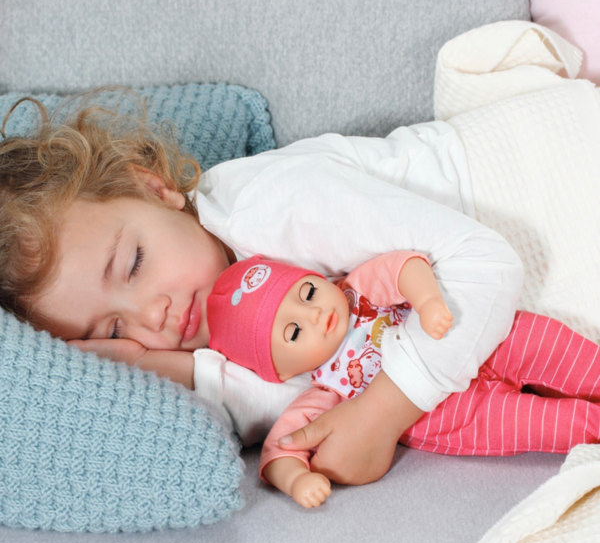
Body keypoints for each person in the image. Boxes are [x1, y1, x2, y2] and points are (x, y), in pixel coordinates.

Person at [0, 91, 523, 486]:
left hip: (517, 179)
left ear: (154, 189)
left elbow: (486, 264)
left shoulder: (269, 206)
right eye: (114, 328)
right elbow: (278, 395)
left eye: (134, 264)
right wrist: (139, 364)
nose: (151, 315)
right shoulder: (207, 332)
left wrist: (382, 413)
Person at [207, 255, 600, 508]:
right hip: (459, 418)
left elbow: (403, 267)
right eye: (293, 332)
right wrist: (296, 480)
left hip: (480, 343)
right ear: (282, 373)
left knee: (554, 347)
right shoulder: (327, 390)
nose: (312, 314)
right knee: (544, 425)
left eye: (307, 292)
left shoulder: (358, 291)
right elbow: (282, 447)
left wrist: (427, 300)